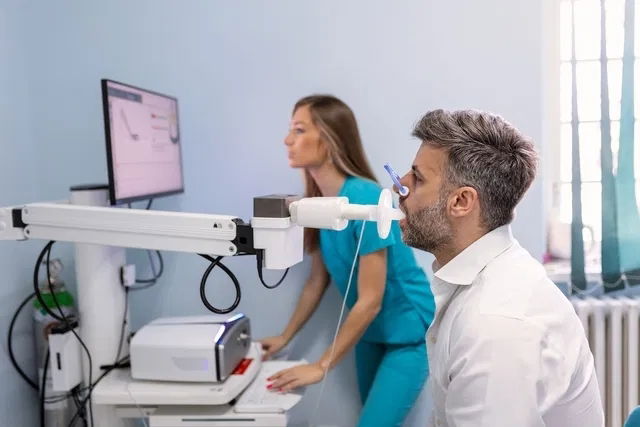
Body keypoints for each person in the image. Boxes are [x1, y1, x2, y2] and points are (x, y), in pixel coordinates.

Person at [396, 109, 604, 427]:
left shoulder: (495, 326)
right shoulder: (487, 276)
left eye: (418, 178)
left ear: (462, 201)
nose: (401, 187)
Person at [261, 95, 435, 427]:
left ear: (329, 139)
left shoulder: (366, 199)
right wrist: (285, 337)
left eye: (299, 130)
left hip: (408, 332)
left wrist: (321, 365)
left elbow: (370, 300)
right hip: (367, 334)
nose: (287, 140)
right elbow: (317, 281)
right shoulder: (320, 204)